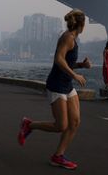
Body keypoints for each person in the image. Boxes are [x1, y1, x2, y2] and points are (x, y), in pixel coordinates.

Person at [17, 9, 91, 170]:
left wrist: (81, 66)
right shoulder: (68, 37)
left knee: (75, 122)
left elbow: (67, 62)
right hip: (57, 84)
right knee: (61, 126)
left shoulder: (74, 39)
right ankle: (29, 125)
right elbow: (58, 58)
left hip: (67, 85)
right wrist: (75, 75)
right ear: (81, 24)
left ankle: (58, 156)